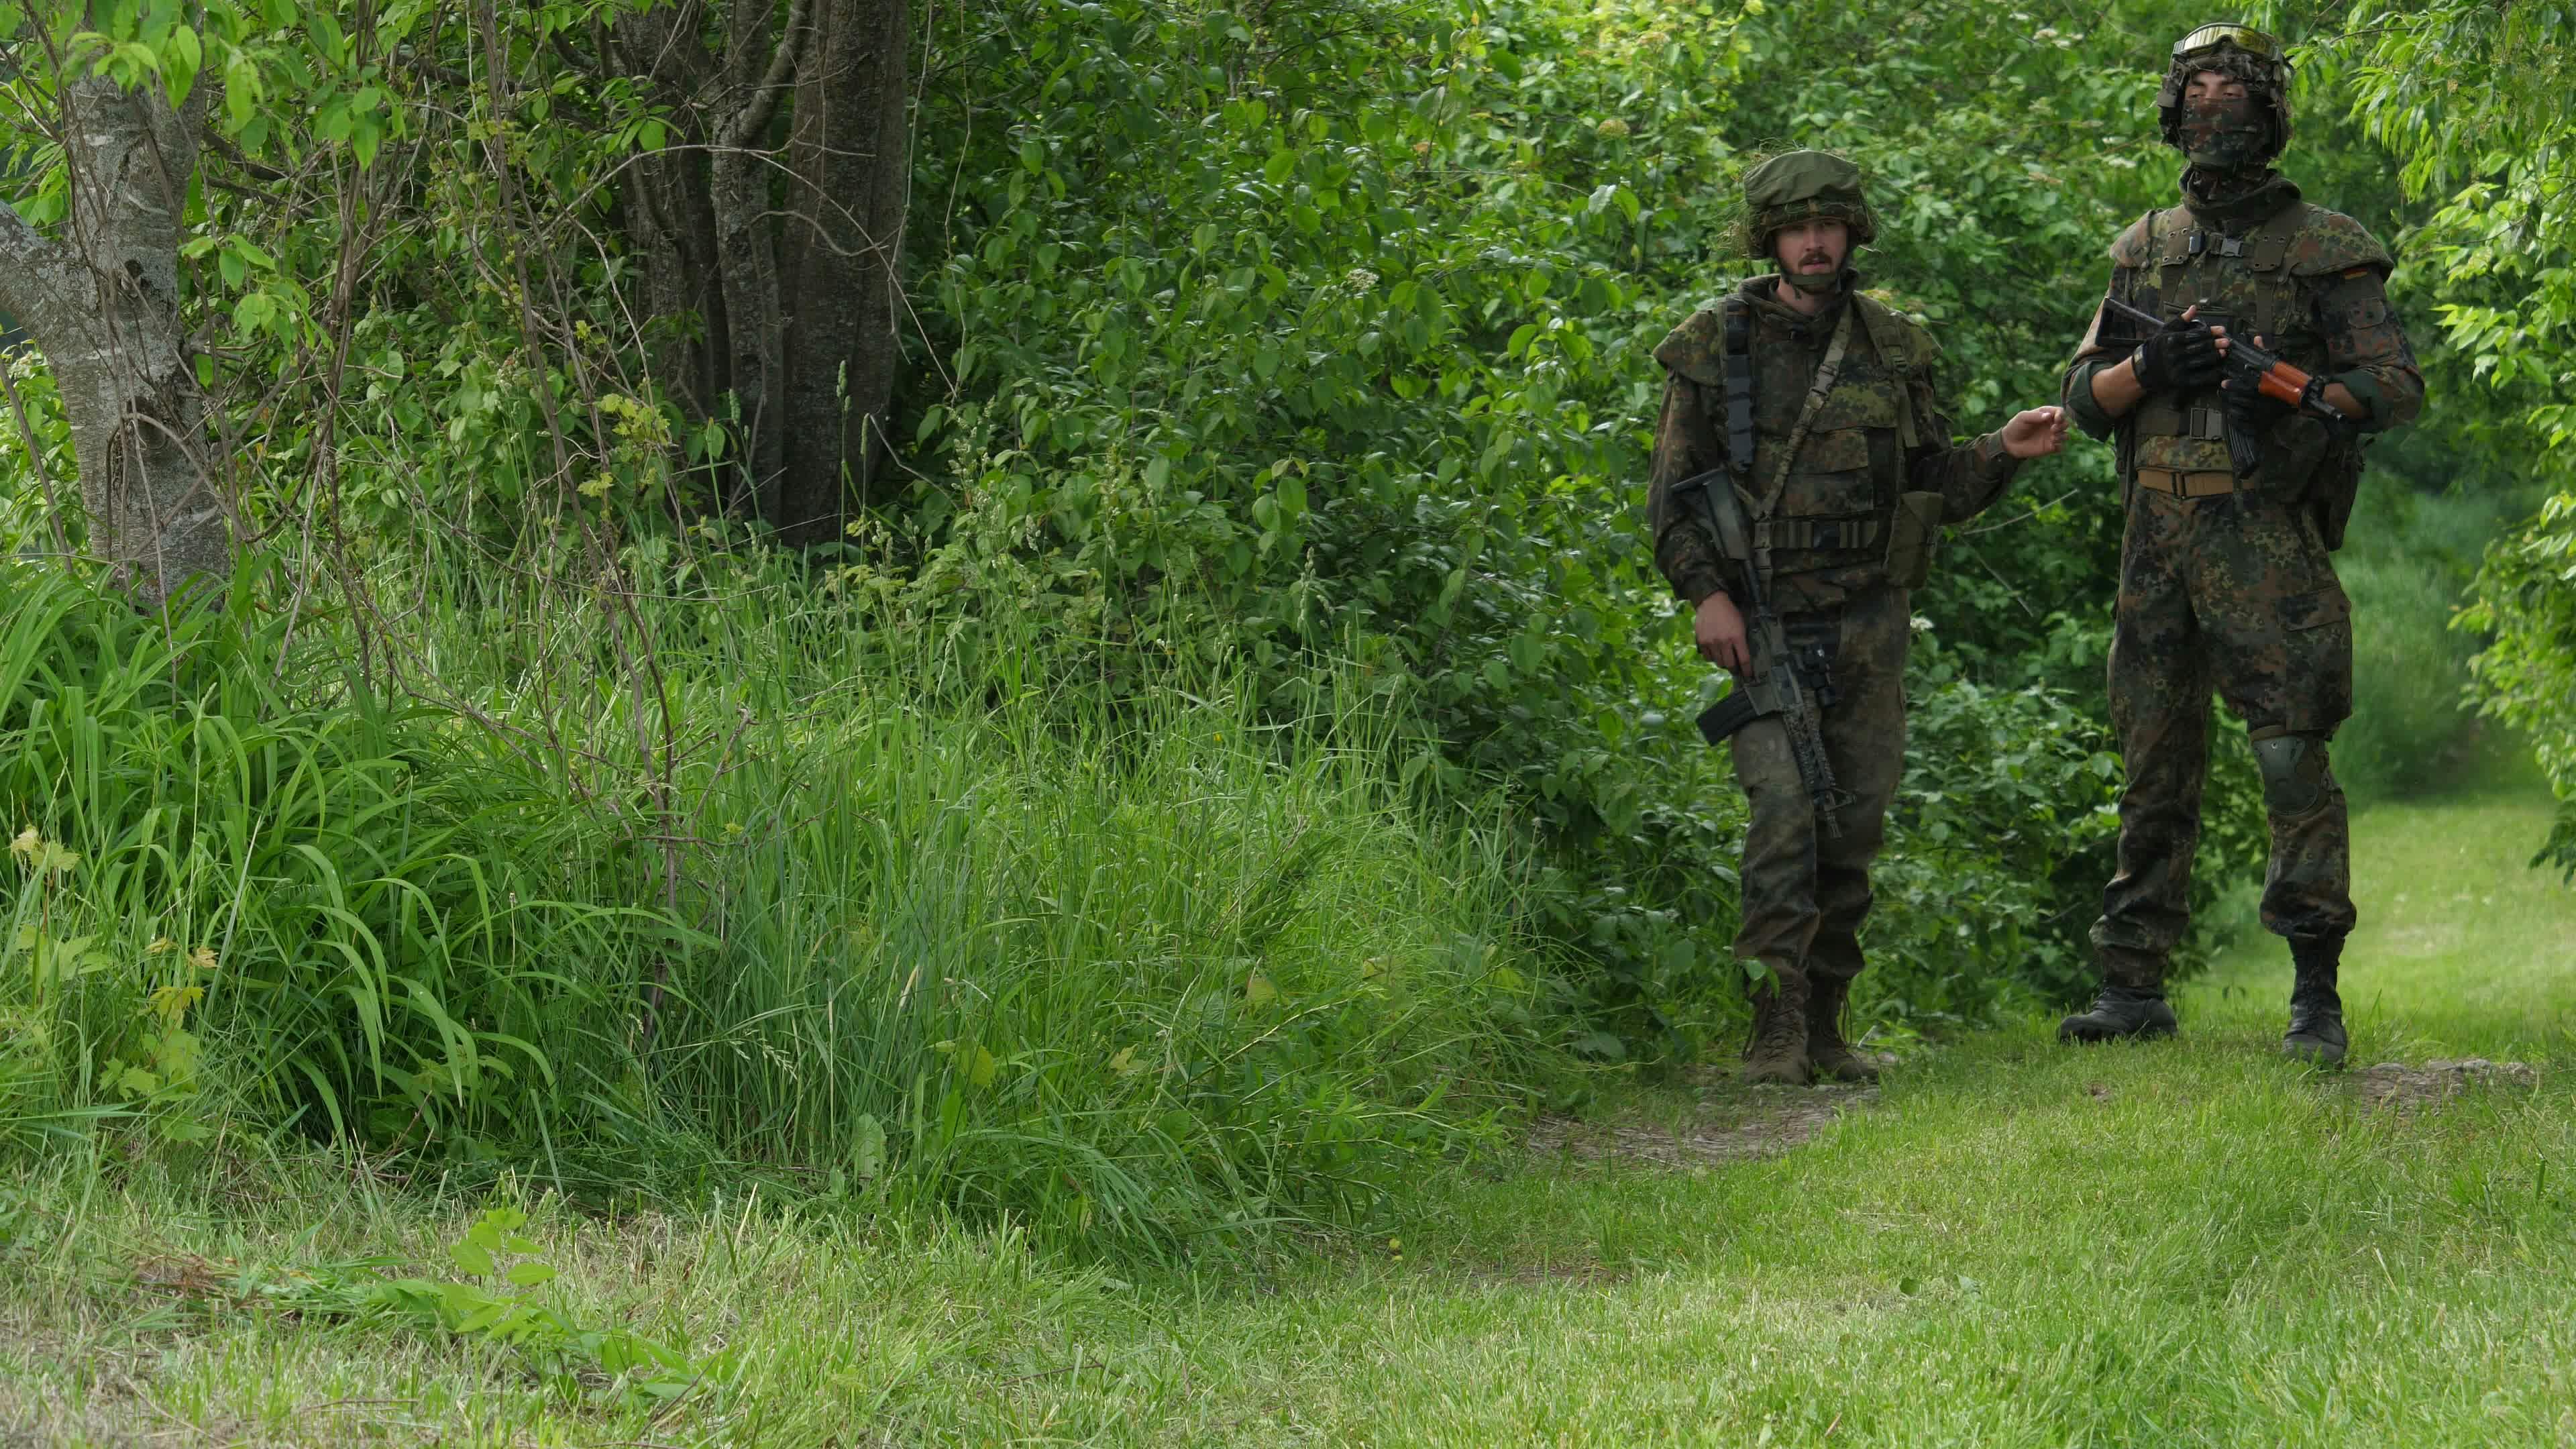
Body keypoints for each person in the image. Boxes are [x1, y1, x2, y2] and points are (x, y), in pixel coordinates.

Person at [1646, 150, 2070, 1085]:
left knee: (1851, 829)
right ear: (1770, 240)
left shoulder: (1895, 348)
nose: (1814, 243)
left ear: (1851, 235)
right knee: (1783, 818)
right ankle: (1773, 1029)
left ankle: (1826, 1027)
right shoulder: (1712, 346)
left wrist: (2003, 449)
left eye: (1828, 226)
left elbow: (1934, 486)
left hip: (1869, 625)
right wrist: (1707, 595)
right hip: (1765, 621)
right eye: (1797, 229)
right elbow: (1673, 500)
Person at [2055, 23, 2423, 1064]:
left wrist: (2286, 385)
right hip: (2158, 538)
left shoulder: (2326, 246)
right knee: (2153, 761)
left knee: (2290, 755)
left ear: (2269, 112)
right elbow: (2082, 398)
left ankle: (2314, 996)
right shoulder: (2145, 248)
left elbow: (2395, 387)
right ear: (2174, 110)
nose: (2214, 104)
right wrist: (2149, 370)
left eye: (2234, 87)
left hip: (2264, 534)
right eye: (2199, 87)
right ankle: (2131, 987)